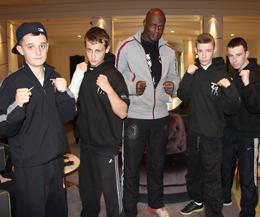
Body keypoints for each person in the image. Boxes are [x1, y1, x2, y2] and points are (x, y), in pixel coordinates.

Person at [0, 22, 76, 217]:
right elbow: (3, 128)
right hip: (29, 164)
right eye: (30, 46)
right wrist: (17, 105)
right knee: (32, 211)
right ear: (20, 49)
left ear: (48, 46)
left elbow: (68, 116)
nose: (38, 51)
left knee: (57, 208)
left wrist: (65, 93)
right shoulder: (11, 83)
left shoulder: (54, 77)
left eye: (42, 45)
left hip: (55, 158)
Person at [115, 8, 180, 217]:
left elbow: (175, 77)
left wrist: (172, 86)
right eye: (153, 25)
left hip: (161, 116)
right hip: (135, 115)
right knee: (131, 167)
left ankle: (156, 203)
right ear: (144, 22)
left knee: (157, 163)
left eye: (161, 26)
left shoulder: (169, 50)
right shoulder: (126, 46)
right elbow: (116, 77)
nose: (156, 30)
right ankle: (130, 210)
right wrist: (133, 86)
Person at [177, 33, 240, 217]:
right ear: (196, 51)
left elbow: (233, 107)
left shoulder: (221, 74)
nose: (204, 55)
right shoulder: (193, 72)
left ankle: (214, 212)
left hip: (213, 136)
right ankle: (197, 201)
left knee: (212, 178)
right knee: (194, 172)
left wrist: (228, 88)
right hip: (194, 133)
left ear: (213, 50)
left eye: (208, 51)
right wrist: (188, 75)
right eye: (201, 51)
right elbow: (182, 95)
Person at [69, 26, 129, 217]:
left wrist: (108, 88)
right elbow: (71, 103)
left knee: (112, 198)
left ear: (107, 48)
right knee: (87, 194)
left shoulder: (114, 75)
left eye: (98, 50)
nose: (93, 56)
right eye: (89, 50)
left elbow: (123, 112)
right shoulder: (83, 73)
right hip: (86, 146)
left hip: (106, 147)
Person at [222, 37, 260, 217]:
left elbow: (255, 106)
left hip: (248, 134)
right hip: (229, 133)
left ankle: (247, 211)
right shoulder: (230, 73)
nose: (234, 60)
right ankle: (225, 199)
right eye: (230, 56)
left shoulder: (256, 73)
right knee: (225, 170)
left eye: (238, 55)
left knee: (247, 177)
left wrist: (247, 83)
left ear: (247, 53)